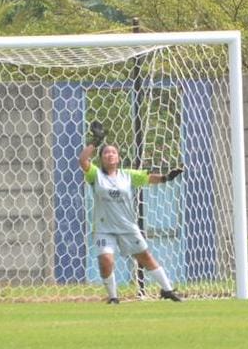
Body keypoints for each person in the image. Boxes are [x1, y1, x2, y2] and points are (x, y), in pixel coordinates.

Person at [78, 120, 185, 304]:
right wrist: (96, 141)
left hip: (127, 226)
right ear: (101, 158)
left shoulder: (128, 175)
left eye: (113, 152)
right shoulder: (95, 175)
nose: (110, 155)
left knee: (145, 257)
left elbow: (148, 178)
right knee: (106, 261)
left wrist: (166, 177)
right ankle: (113, 297)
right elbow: (83, 160)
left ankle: (167, 290)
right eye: (106, 153)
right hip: (104, 228)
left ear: (118, 158)